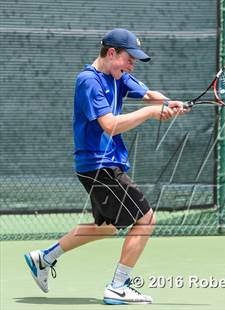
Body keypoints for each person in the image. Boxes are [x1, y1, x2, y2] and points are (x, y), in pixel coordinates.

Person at [24, 28, 188, 305]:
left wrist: (169, 103)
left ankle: (45, 258)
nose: (131, 64)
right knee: (146, 219)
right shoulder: (89, 81)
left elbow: (149, 95)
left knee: (108, 226)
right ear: (111, 53)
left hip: (102, 164)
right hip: (99, 166)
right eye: (129, 58)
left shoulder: (118, 76)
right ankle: (118, 286)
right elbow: (110, 125)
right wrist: (151, 113)